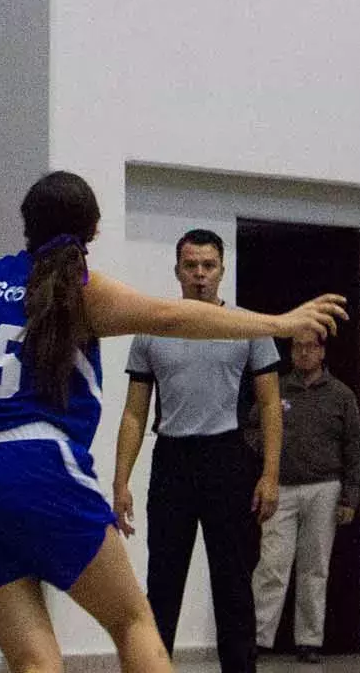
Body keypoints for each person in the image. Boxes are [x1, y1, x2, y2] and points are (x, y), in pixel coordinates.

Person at [0, 171, 345, 673]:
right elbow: (174, 317)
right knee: (133, 623)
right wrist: (280, 323)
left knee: (34, 659)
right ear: (94, 230)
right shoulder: (80, 291)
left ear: (26, 225)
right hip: (31, 463)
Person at [116, 229, 285, 673]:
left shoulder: (248, 327)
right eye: (191, 266)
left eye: (208, 266)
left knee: (233, 583)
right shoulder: (152, 330)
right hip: (172, 460)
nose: (200, 275)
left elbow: (270, 404)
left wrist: (270, 474)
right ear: (177, 270)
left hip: (226, 458)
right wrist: (120, 480)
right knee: (163, 583)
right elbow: (135, 413)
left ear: (222, 270)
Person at [252, 332, 360, 664]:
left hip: (325, 488)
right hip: (280, 487)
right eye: (296, 347)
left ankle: (309, 640)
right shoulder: (276, 389)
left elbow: (353, 449)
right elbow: (250, 428)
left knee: (315, 568)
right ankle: (256, 637)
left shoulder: (341, 395)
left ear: (322, 351)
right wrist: (268, 455)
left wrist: (350, 497)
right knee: (272, 564)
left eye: (309, 347)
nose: (302, 353)